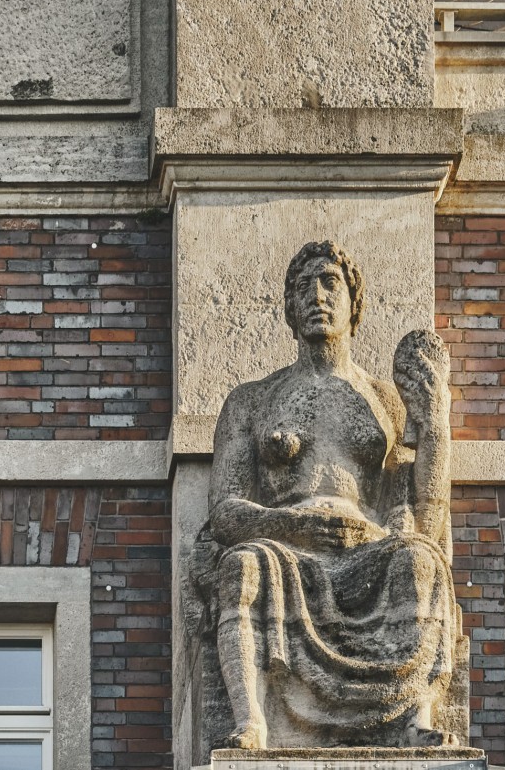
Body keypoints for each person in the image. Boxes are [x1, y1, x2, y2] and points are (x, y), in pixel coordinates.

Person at [189, 240, 459, 750]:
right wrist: (293, 526)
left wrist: (436, 423)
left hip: (367, 551)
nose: (317, 295)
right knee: (243, 567)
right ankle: (252, 722)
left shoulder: (385, 402)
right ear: (289, 307)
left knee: (419, 563)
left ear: (354, 304)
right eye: (303, 285)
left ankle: (413, 716)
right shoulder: (251, 401)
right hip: (285, 549)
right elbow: (225, 512)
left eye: (330, 282)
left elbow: (423, 515)